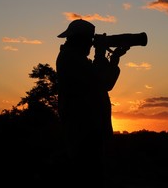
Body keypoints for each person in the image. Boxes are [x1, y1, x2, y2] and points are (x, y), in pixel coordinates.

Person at [55, 19, 129, 186]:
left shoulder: (76, 58)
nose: (91, 44)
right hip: (83, 130)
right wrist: (100, 55)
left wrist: (113, 60)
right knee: (88, 175)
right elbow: (100, 81)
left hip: (89, 130)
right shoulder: (70, 58)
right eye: (90, 40)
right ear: (81, 40)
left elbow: (105, 83)